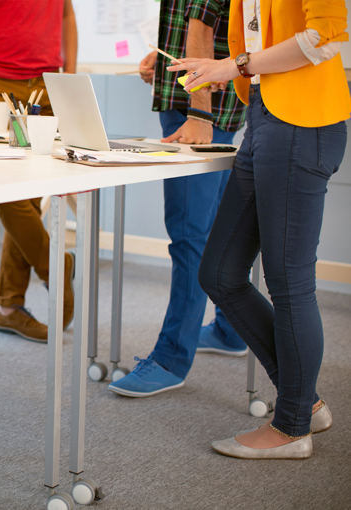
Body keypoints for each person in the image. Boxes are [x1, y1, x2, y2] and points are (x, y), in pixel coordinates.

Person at [172, 0, 348, 459]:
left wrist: (234, 65)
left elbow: (324, 38)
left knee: (290, 283)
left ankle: (292, 427)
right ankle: (304, 402)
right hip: (264, 118)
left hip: (303, 122)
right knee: (219, 273)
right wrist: (225, 67)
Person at [108, 0, 249, 398]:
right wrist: (164, 55)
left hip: (198, 111)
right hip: (217, 104)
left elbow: (202, 27)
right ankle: (230, 329)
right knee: (218, 228)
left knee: (189, 235)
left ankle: (171, 359)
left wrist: (200, 114)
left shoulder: (199, 112)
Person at [0, 0, 78, 343]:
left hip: (48, 83)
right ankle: (54, 266)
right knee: (7, 188)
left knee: (28, 197)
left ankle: (9, 307)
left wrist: (68, 81)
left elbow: (66, 14)